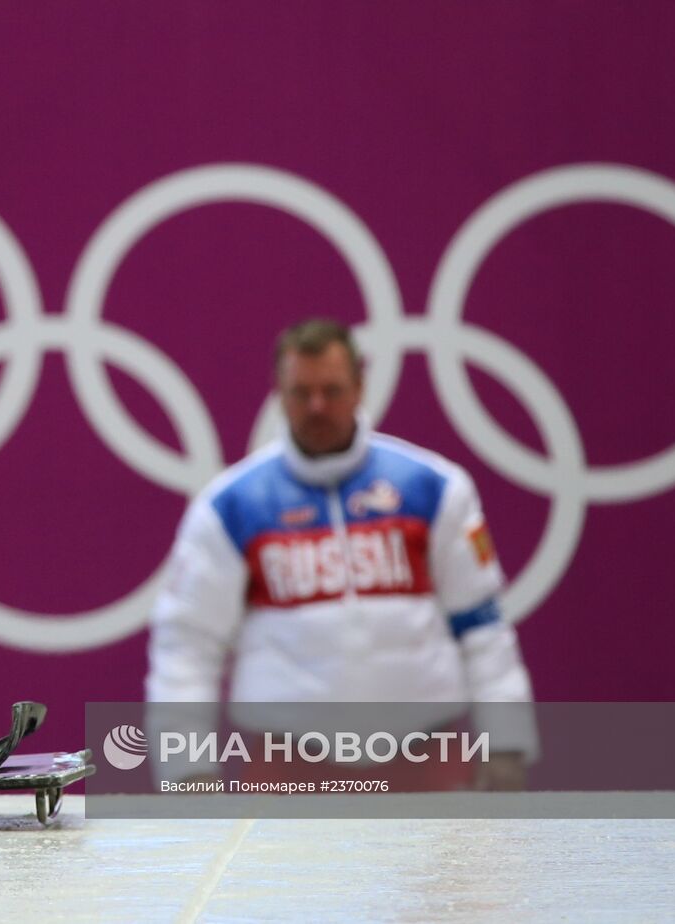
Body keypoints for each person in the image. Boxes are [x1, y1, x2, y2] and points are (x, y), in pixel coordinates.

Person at [145, 319, 535, 790]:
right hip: (287, 765)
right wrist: (186, 770)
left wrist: (507, 742)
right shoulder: (230, 506)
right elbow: (187, 644)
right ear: (279, 394)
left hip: (426, 756)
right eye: (301, 392)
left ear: (359, 388)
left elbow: (482, 625)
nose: (317, 406)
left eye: (331, 391)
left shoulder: (434, 487)